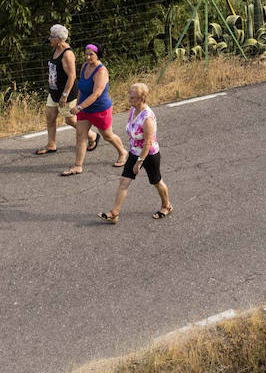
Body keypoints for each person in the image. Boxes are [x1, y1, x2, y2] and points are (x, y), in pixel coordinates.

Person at [100, 82, 171, 223]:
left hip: (148, 155)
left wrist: (139, 161)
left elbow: (147, 143)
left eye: (133, 98)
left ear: (142, 98)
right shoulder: (133, 110)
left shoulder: (147, 118)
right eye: (129, 96)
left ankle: (166, 206)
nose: (129, 100)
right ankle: (114, 213)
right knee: (124, 181)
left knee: (156, 181)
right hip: (134, 152)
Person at [61, 44, 125, 176]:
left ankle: (123, 152)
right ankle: (78, 166)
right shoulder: (85, 66)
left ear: (98, 55)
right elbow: (81, 87)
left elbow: (96, 94)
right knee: (80, 136)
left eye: (91, 54)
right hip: (84, 108)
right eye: (86, 54)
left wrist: (79, 107)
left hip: (99, 109)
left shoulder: (101, 72)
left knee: (108, 135)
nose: (88, 57)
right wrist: (78, 103)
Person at [35, 24, 85, 155]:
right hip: (54, 91)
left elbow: (72, 76)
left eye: (51, 37)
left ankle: (91, 136)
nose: (49, 39)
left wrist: (65, 95)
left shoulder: (67, 54)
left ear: (59, 39)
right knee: (50, 116)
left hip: (65, 93)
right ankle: (51, 144)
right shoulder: (56, 48)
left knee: (70, 120)